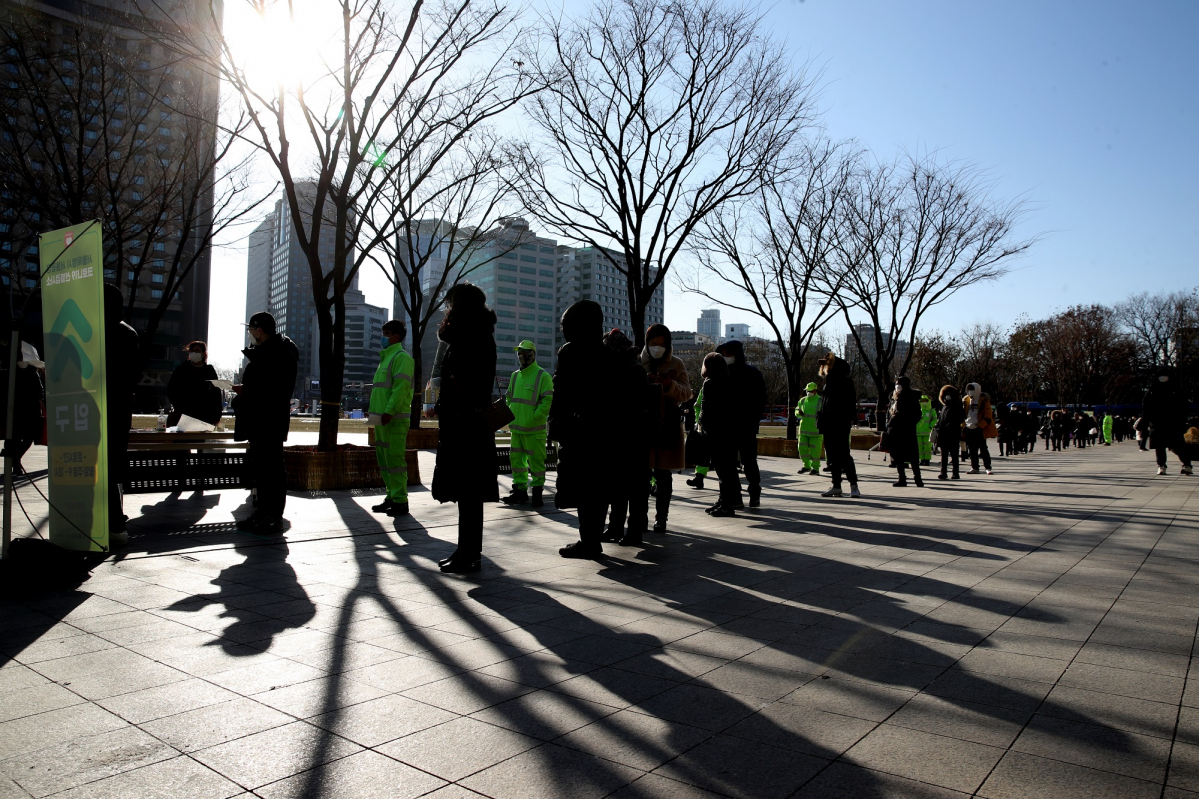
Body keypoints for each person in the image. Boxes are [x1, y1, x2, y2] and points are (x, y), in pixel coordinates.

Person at [430, 284, 499, 572]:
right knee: (467, 492)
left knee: (469, 492)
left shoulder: (471, 336)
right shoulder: (475, 334)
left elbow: (469, 383)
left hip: (465, 425)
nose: (447, 309)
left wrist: (451, 405)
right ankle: (466, 550)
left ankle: (469, 553)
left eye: (451, 304)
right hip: (465, 423)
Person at [551, 301, 620, 558]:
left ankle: (588, 540)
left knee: (583, 486)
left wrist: (557, 423)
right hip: (603, 432)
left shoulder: (569, 353)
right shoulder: (606, 354)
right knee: (597, 487)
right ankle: (592, 538)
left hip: (578, 432)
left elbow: (562, 393)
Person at [232, 311, 299, 532]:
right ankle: (262, 512)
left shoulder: (279, 353)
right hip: (261, 419)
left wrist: (246, 393)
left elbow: (274, 390)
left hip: (268, 420)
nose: (250, 333)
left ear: (259, 330)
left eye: (251, 329)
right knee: (262, 469)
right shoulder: (268, 352)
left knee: (271, 469)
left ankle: (272, 515)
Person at [600, 329, 651, 546]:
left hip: (631, 437)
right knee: (619, 486)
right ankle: (615, 527)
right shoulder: (625, 366)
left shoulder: (631, 369)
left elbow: (627, 404)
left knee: (634, 488)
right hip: (625, 437)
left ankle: (633, 531)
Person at [641, 324, 692, 532]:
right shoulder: (639, 362)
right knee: (641, 475)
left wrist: (669, 386)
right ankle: (639, 517)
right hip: (642, 424)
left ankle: (661, 518)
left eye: (662, 344)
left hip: (668, 424)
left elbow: (687, 393)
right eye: (653, 344)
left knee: (663, 475)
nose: (657, 348)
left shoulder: (677, 363)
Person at [104, 284, 140, 545]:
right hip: (118, 410)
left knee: (107, 467)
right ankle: (115, 523)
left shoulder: (99, 332)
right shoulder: (128, 333)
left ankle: (113, 522)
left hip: (104, 408)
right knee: (113, 467)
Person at [369, 320, 415, 517]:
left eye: (387, 333)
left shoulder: (401, 357)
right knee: (384, 460)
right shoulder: (386, 358)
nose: (383, 337)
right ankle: (391, 496)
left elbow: (400, 389)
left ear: (396, 336)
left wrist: (389, 411)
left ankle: (400, 501)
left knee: (395, 460)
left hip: (393, 418)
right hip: (380, 418)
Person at [501, 340, 553, 508]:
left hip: (534, 429)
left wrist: (535, 417)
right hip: (516, 428)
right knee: (516, 461)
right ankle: (520, 491)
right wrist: (511, 412)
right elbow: (509, 397)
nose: (522, 356)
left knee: (536, 462)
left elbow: (547, 400)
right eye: (520, 353)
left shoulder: (542, 375)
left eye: (525, 353)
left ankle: (537, 492)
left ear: (533, 354)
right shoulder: (515, 376)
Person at [715, 340, 765, 507]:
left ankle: (754, 492)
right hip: (726, 427)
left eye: (728, 354)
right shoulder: (721, 374)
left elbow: (760, 400)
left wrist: (752, 420)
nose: (726, 357)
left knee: (749, 461)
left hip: (746, 426)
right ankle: (736, 497)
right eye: (723, 355)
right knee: (729, 464)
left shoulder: (752, 373)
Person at [696, 352, 740, 516]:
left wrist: (701, 423)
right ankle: (724, 500)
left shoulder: (709, 383)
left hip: (715, 433)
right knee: (727, 469)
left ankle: (726, 505)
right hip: (730, 433)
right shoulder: (732, 383)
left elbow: (706, 410)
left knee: (722, 470)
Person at [816, 353, 860, 498]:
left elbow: (848, 403)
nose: (825, 368)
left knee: (842, 454)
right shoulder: (833, 381)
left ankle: (852, 485)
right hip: (833, 422)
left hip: (838, 422)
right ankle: (837, 486)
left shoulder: (839, 380)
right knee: (834, 456)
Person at [1142, 367, 1194, 476]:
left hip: (1163, 423)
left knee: (1164, 446)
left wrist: (1150, 418)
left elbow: (1146, 406)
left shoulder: (1154, 390)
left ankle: (1163, 465)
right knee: (1175, 446)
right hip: (1169, 422)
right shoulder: (1174, 389)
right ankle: (1185, 464)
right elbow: (1185, 406)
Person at [2, 342, 44, 477]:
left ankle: (15, 463)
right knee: (28, 438)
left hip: (14, 410)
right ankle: (16, 461)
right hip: (30, 410)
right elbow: (39, 392)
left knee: (15, 437)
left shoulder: (10, 372)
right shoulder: (32, 372)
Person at [166, 341, 222, 427]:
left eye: (197, 351)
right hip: (183, 414)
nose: (194, 353)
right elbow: (171, 390)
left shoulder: (209, 371)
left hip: (204, 415)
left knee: (198, 439)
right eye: (192, 351)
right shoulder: (181, 369)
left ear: (203, 354)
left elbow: (216, 393)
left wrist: (217, 415)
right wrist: (179, 407)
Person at [886, 376, 924, 488]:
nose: (896, 386)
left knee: (907, 456)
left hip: (904, 430)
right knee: (903, 456)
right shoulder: (896, 397)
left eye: (898, 383)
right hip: (901, 431)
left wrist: (901, 420)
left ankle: (913, 479)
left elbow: (916, 415)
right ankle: (908, 479)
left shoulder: (909, 397)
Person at [962, 383, 994, 475]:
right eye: (968, 390)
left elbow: (988, 415)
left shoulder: (984, 400)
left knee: (983, 449)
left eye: (972, 389)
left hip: (979, 428)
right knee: (972, 449)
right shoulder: (965, 400)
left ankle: (988, 467)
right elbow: (963, 414)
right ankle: (975, 467)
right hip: (968, 427)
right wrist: (964, 425)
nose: (970, 391)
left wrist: (981, 426)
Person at [936, 385, 964, 479]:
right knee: (944, 454)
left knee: (954, 454)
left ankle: (955, 473)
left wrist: (950, 424)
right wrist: (937, 425)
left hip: (953, 432)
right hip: (943, 433)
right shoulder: (944, 407)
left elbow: (960, 418)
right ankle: (943, 472)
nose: (946, 397)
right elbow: (941, 419)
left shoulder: (957, 406)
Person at [795, 382, 822, 475]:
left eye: (810, 391)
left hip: (816, 431)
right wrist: (798, 413)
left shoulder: (820, 400)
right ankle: (806, 466)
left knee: (815, 452)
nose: (808, 392)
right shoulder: (802, 400)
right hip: (803, 430)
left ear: (815, 390)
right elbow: (796, 410)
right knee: (802, 449)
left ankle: (815, 468)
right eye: (807, 391)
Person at [683, 392, 709, 490]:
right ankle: (699, 477)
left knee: (705, 453)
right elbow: (698, 405)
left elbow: (697, 405)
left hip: (712, 425)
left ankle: (699, 478)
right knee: (703, 453)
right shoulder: (705, 386)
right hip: (705, 425)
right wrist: (699, 420)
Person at [916, 394, 937, 465]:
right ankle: (921, 459)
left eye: (925, 401)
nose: (924, 402)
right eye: (922, 401)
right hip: (918, 432)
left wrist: (931, 426)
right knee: (920, 447)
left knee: (927, 447)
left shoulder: (931, 411)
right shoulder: (918, 410)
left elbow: (935, 419)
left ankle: (927, 460)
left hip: (928, 432)